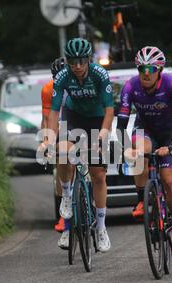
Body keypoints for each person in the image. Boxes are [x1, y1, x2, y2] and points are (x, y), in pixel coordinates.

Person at [38, 38, 114, 252]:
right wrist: (49, 139)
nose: (77, 66)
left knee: (98, 173)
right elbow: (53, 112)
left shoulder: (100, 74)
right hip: (74, 117)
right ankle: (68, 196)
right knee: (62, 153)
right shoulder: (62, 76)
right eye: (73, 62)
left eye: (82, 61)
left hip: (99, 118)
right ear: (68, 61)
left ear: (89, 59)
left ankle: (100, 228)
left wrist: (102, 136)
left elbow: (109, 109)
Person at [116, 46, 172, 258]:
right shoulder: (130, 87)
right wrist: (125, 147)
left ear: (159, 70)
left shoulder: (171, 85)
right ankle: (141, 198)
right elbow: (121, 126)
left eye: (151, 68)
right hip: (145, 129)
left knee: (168, 179)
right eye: (141, 69)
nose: (145, 73)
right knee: (139, 151)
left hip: (170, 132)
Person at [40, 57, 68, 233]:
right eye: (57, 79)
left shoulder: (82, 85)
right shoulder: (48, 89)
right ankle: (63, 215)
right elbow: (47, 119)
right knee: (60, 165)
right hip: (59, 124)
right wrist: (47, 141)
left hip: (80, 121)